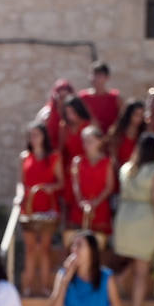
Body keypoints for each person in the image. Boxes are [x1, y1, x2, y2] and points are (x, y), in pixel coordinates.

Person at [112, 133, 154, 306]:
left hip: (125, 216)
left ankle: (120, 279)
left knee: (138, 259)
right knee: (142, 272)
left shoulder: (126, 169)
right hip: (145, 218)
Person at [16, 122, 63, 297]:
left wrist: (50, 187)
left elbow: (61, 182)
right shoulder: (24, 157)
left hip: (47, 207)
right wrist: (19, 195)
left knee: (44, 248)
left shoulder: (54, 157)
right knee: (30, 248)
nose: (34, 138)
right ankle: (27, 288)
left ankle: (44, 286)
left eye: (37, 134)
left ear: (44, 136)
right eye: (31, 135)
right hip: (28, 206)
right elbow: (21, 182)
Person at [67, 126, 115, 248]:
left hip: (99, 209)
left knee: (97, 246)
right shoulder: (77, 161)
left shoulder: (107, 162)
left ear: (99, 141)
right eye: (84, 141)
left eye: (90, 141)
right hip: (80, 209)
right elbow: (75, 184)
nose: (86, 144)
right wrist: (81, 202)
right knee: (77, 244)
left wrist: (95, 203)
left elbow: (109, 186)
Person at [57, 95, 92, 224]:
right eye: (68, 113)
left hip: (87, 168)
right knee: (68, 203)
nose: (71, 116)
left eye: (73, 112)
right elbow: (61, 150)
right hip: (70, 169)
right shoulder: (64, 127)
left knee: (85, 200)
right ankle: (68, 234)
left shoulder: (88, 125)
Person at [78, 61, 121, 134]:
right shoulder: (83, 97)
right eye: (93, 75)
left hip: (111, 139)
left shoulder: (115, 97)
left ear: (107, 78)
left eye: (99, 76)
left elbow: (120, 118)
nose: (95, 79)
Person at [34, 78, 74, 149]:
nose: (63, 101)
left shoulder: (75, 113)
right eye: (61, 97)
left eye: (66, 97)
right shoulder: (46, 113)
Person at [107, 99, 147, 170]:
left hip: (138, 173)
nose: (139, 118)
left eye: (141, 115)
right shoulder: (117, 132)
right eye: (136, 114)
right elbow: (113, 158)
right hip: (119, 172)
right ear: (129, 114)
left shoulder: (144, 133)